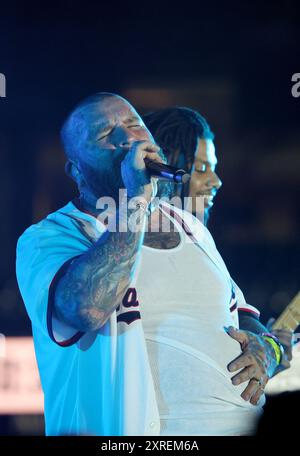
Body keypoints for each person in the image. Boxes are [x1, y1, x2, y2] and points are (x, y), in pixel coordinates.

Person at [16, 93, 283, 436]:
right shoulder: (50, 237)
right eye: (104, 135)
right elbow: (87, 308)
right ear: (76, 170)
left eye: (133, 124)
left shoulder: (193, 229)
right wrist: (135, 200)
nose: (126, 138)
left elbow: (243, 318)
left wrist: (269, 349)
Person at [143, 106, 293, 374]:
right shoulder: (129, 241)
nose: (216, 181)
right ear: (166, 169)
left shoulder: (200, 242)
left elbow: (243, 317)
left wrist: (270, 347)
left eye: (213, 168)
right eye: (201, 168)